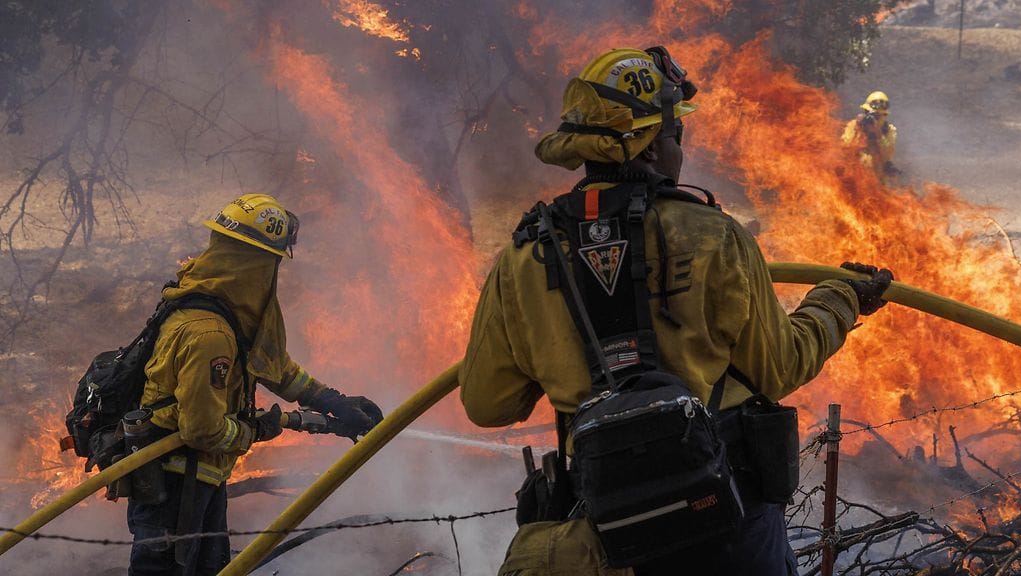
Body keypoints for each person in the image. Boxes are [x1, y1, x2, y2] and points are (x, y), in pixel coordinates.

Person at [458, 47, 893, 575]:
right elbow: (781, 367)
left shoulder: (523, 257)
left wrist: (555, 352)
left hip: (609, 531)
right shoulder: (716, 237)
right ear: (647, 149)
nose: (679, 152)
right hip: (728, 517)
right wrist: (840, 298)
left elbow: (488, 403)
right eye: (674, 137)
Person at [127, 193, 384, 575]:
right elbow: (202, 429)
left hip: (199, 480)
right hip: (175, 486)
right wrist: (258, 428)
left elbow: (272, 366)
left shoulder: (224, 309)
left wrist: (331, 400)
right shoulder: (210, 332)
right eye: (272, 262)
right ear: (257, 262)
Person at [842, 90, 900, 183]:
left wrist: (878, 134)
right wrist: (858, 128)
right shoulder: (853, 126)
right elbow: (846, 148)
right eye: (868, 113)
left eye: (876, 116)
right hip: (856, 181)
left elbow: (887, 154)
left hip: (877, 183)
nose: (872, 119)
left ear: (884, 115)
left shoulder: (889, 131)